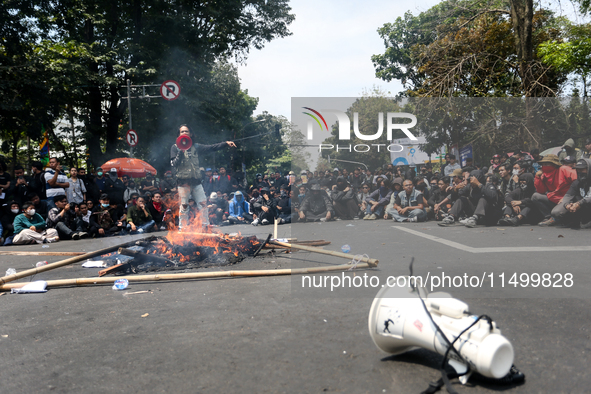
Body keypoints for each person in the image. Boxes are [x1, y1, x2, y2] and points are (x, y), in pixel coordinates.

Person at [170, 124, 236, 229]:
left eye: (186, 131)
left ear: (191, 134)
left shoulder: (196, 146)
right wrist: (181, 152)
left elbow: (211, 148)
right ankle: (183, 229)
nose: (184, 133)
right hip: (183, 183)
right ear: (178, 135)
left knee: (203, 205)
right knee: (184, 206)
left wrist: (225, 144)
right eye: (182, 132)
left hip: (196, 182)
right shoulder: (175, 147)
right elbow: (174, 164)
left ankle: (205, 227)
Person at [532, 154, 576, 226]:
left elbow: (577, 181)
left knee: (556, 212)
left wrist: (566, 197)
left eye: (547, 164)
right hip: (554, 198)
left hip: (568, 198)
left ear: (554, 164)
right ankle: (549, 217)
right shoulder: (544, 175)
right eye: (543, 164)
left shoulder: (564, 169)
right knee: (535, 196)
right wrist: (537, 177)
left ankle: (561, 218)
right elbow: (541, 191)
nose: (544, 166)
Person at [548, 159, 591, 228]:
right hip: (582, 205)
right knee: (556, 212)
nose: (579, 172)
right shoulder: (577, 183)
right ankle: (572, 221)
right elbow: (568, 195)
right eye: (578, 170)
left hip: (586, 203)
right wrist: (567, 205)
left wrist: (579, 203)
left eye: (582, 170)